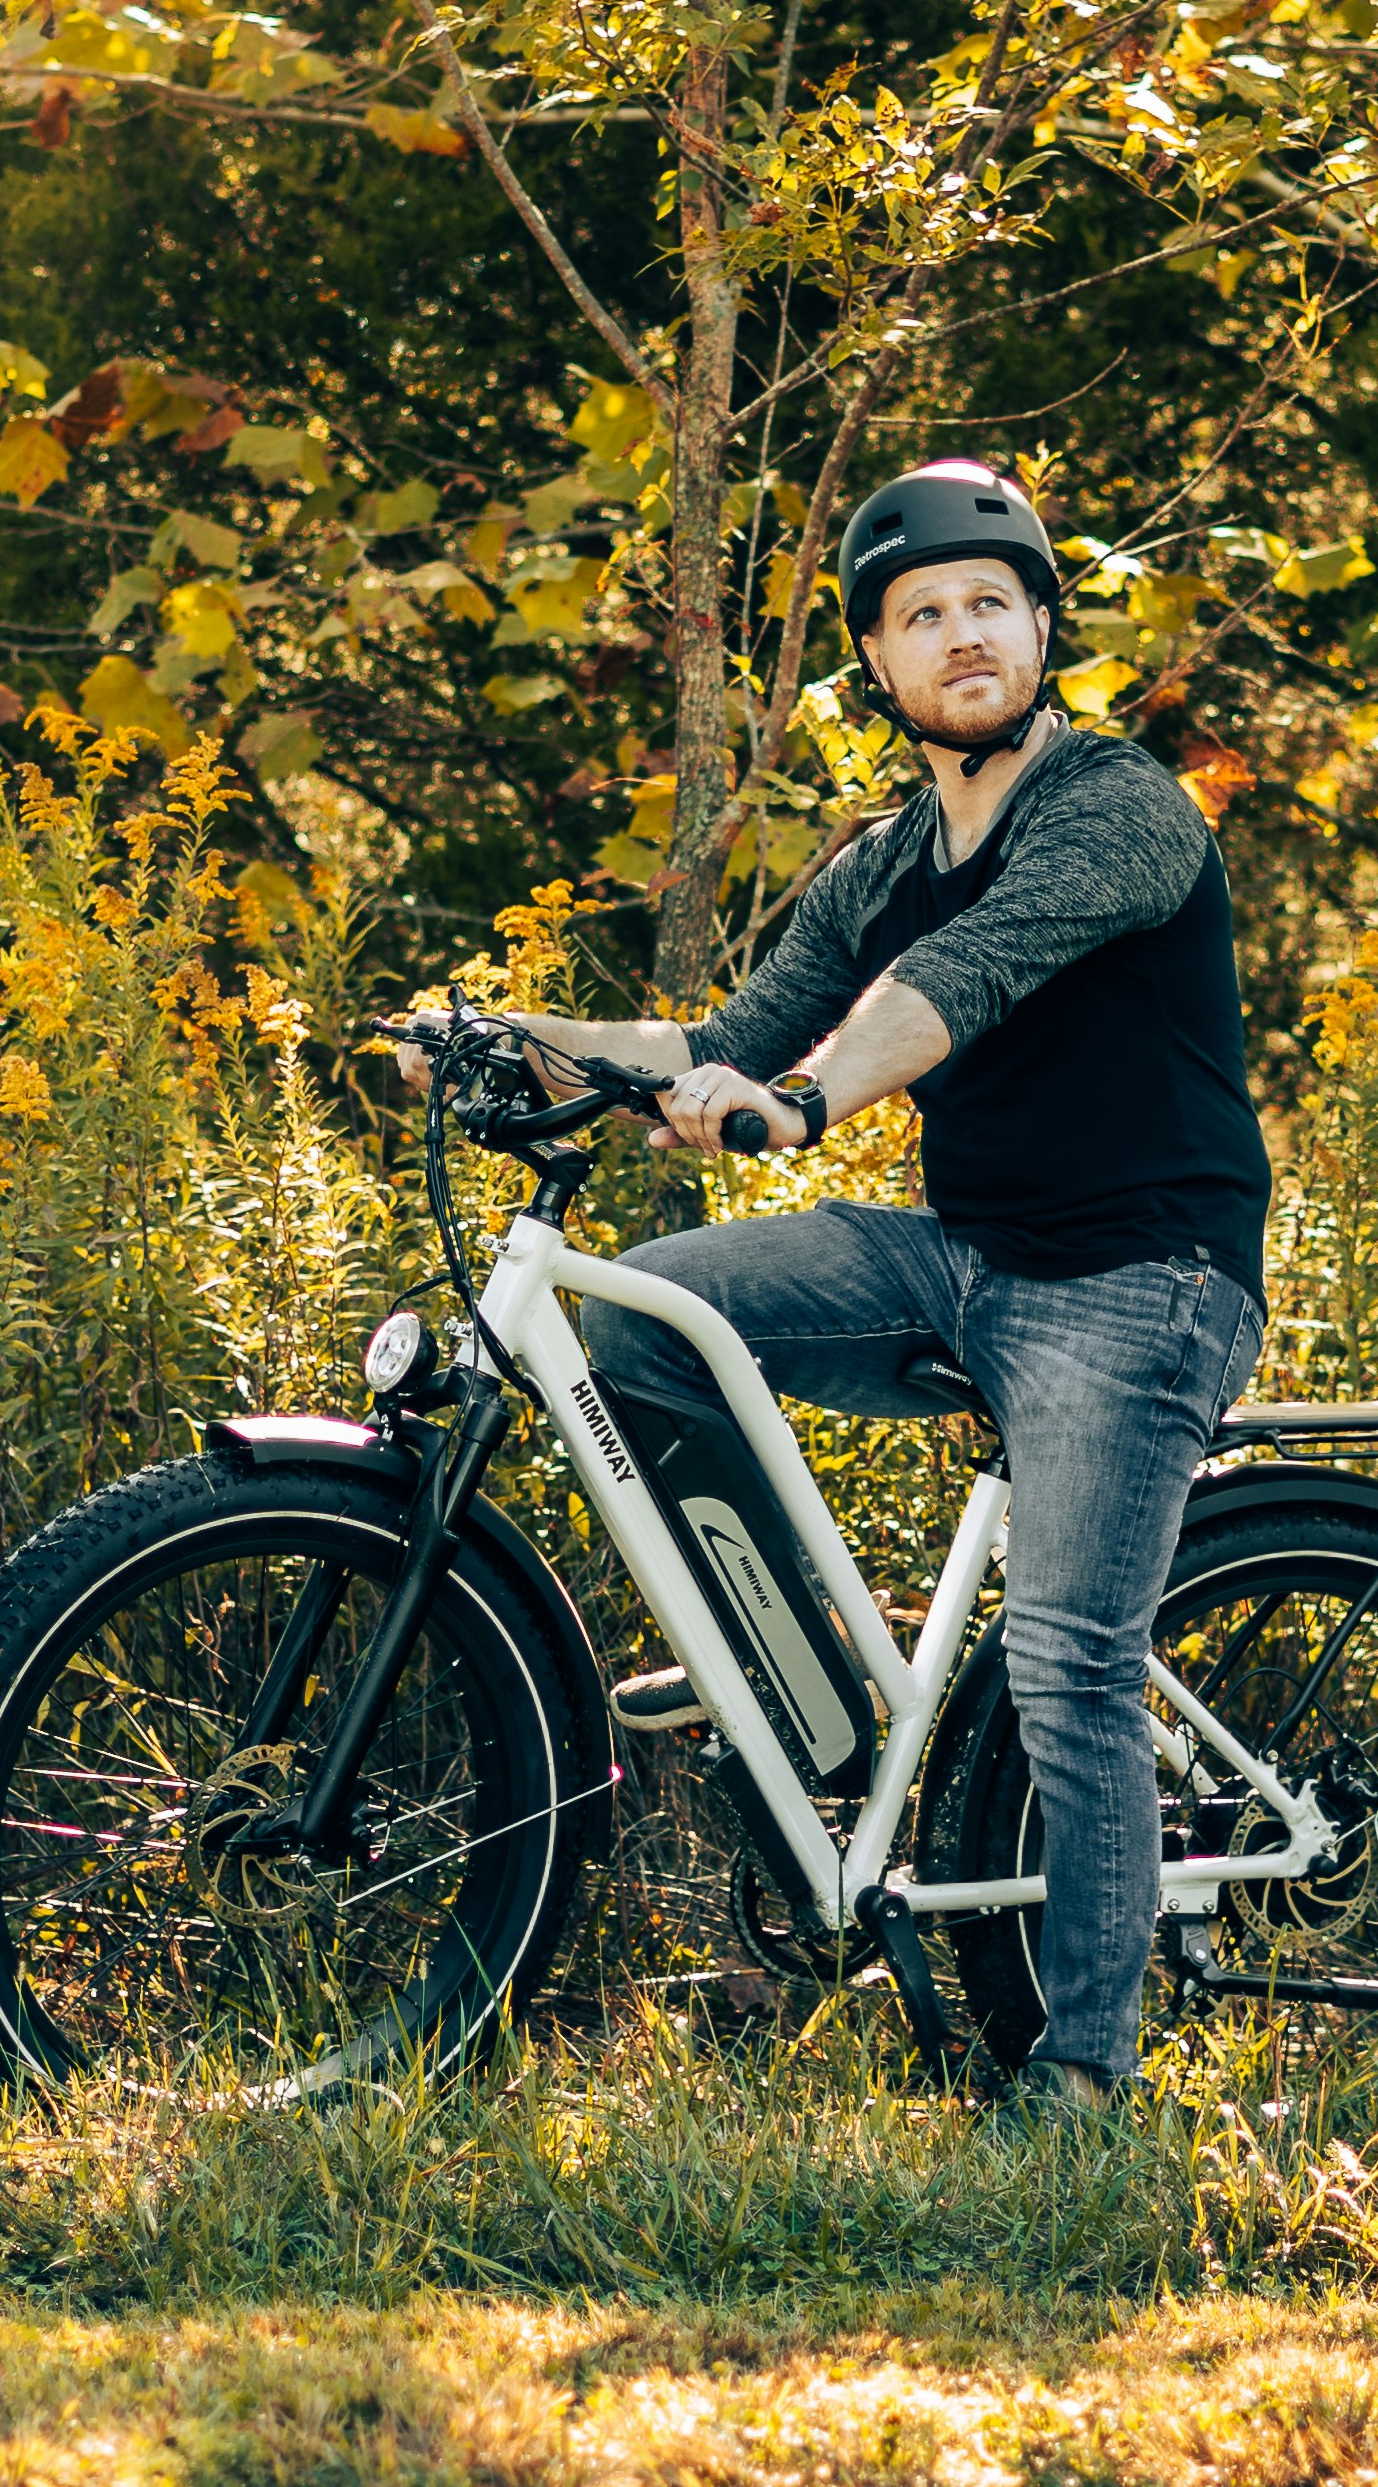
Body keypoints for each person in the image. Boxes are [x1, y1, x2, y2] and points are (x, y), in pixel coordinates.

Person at [429, 457, 1271, 2113]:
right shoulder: (878, 860)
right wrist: (497, 1039)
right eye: (920, 617)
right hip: (965, 1261)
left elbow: (958, 980)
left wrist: (810, 1102)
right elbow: (718, 1039)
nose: (963, 635)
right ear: (879, 669)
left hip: (1141, 1283)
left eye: (989, 604)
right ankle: (797, 1674)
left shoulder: (1119, 809)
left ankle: (1085, 2071)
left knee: (1071, 1664)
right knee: (643, 1320)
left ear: (1043, 627)